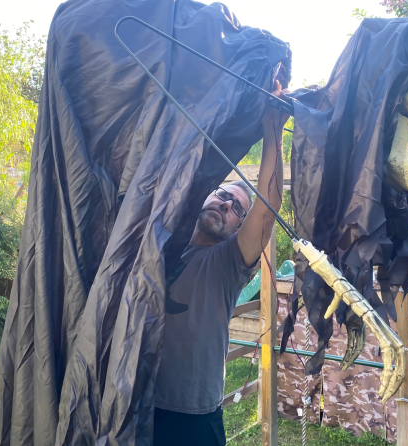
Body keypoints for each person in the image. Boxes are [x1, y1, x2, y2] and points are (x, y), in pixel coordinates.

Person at [153, 84, 290, 446]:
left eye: (237, 210)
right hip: (137, 402)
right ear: (209, 193)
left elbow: (267, 207)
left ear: (238, 226)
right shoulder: (163, 240)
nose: (227, 206)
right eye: (224, 196)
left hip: (192, 418)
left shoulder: (229, 260)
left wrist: (272, 128)